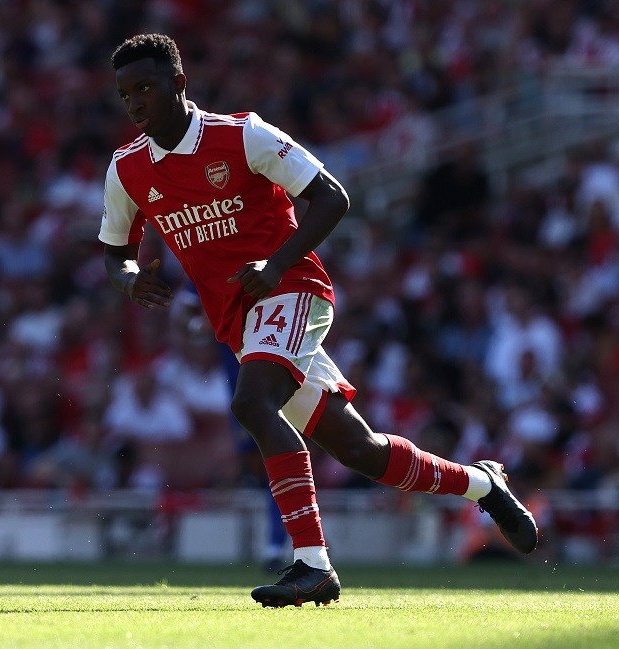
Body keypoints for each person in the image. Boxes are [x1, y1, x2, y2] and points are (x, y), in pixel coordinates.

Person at [99, 34, 538, 608]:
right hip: (240, 321)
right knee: (360, 450)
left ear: (179, 83)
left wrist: (277, 261)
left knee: (252, 404)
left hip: (293, 289)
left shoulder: (241, 135)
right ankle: (483, 483)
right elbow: (114, 251)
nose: (135, 102)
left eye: (146, 88)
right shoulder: (128, 168)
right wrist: (133, 280)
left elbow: (332, 196)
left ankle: (311, 563)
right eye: (126, 93)